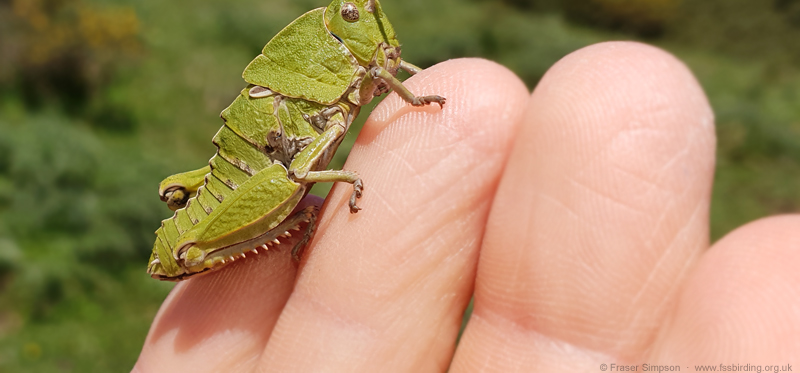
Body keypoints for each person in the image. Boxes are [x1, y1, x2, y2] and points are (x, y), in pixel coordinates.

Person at [134, 42, 800, 372]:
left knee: (299, 181)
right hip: (247, 189)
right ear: (314, 49)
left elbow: (379, 78)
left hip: (271, 175)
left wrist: (407, 91)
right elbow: (300, 166)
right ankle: (237, 232)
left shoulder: (336, 77)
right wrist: (327, 192)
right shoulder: (291, 90)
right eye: (354, 22)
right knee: (294, 180)